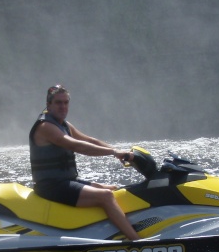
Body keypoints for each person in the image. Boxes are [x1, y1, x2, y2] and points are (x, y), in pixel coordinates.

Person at [29, 84, 140, 241]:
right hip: (51, 186)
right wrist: (113, 152)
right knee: (106, 196)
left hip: (66, 181)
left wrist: (120, 153)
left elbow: (90, 140)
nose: (63, 107)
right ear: (48, 105)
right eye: (58, 103)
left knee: (113, 189)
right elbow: (76, 145)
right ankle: (136, 241)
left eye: (66, 102)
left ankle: (112, 233)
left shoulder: (64, 125)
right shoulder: (46, 127)